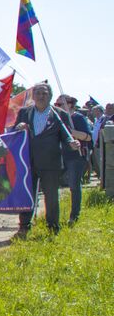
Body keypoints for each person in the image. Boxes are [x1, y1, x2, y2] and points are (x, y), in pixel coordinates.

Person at [13, 82, 79, 237]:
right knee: (28, 195)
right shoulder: (25, 112)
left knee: (51, 196)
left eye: (44, 93)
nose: (41, 96)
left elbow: (65, 136)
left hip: (51, 162)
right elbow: (15, 133)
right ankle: (24, 226)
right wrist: (19, 127)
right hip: (28, 161)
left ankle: (52, 227)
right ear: (33, 96)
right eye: (38, 93)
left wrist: (72, 143)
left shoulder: (59, 114)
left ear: (49, 96)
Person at [57, 94, 92, 225]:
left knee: (74, 186)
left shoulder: (78, 118)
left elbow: (88, 137)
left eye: (60, 104)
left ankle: (74, 216)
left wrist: (71, 132)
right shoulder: (58, 119)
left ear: (69, 104)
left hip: (76, 157)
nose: (57, 107)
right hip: (61, 156)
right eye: (56, 104)